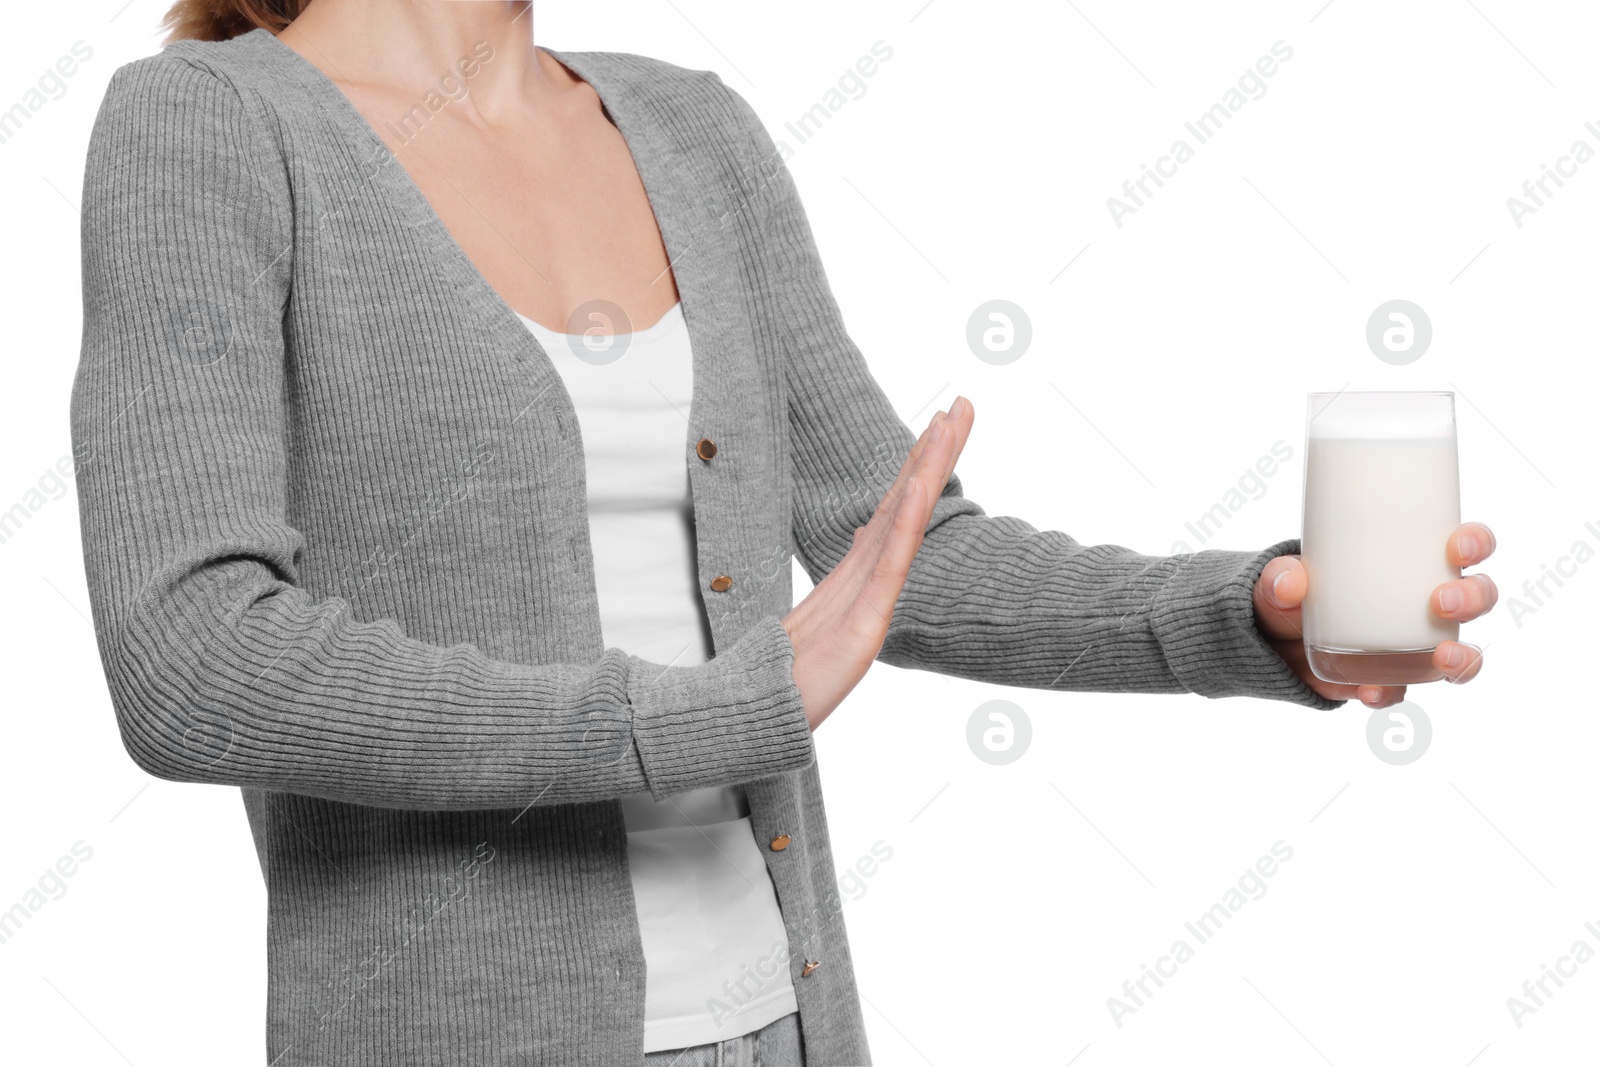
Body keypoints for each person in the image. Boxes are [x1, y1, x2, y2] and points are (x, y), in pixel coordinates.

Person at [69, 1, 1497, 1064]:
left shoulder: (692, 127)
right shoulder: (205, 126)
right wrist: (693, 719)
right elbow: (191, 660)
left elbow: (896, 558)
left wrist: (1241, 619)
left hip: (784, 1021)